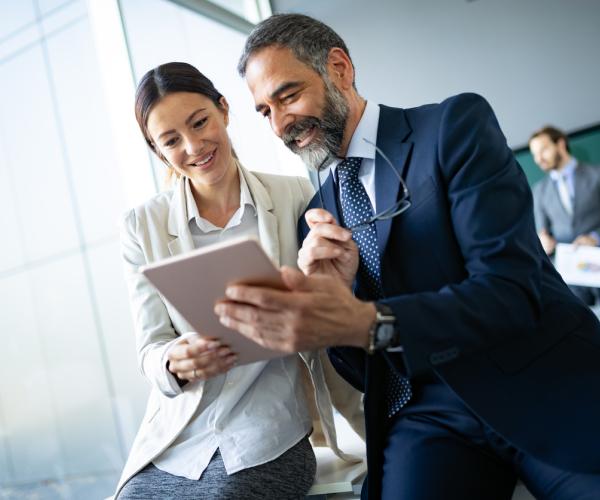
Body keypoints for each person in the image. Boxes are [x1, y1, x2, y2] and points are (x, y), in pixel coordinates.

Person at [213, 13, 600, 500]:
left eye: (288, 96)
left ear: (339, 68)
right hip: (430, 416)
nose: (281, 124)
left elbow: (512, 292)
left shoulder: (453, 127)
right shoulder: (317, 215)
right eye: (265, 112)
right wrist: (333, 301)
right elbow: (363, 369)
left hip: (538, 383)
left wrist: (366, 320)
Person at [113, 61, 364, 500]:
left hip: (267, 433)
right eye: (172, 140)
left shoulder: (295, 197)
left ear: (225, 110)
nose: (193, 146)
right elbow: (150, 349)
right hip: (180, 440)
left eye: (200, 122)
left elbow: (336, 302)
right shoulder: (142, 226)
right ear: (158, 151)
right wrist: (176, 359)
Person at [529, 125, 600, 305]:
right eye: (534, 154)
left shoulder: (596, 174)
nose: (538, 159)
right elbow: (541, 232)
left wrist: (595, 237)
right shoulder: (539, 191)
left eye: (543, 150)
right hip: (570, 280)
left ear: (560, 144)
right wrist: (542, 242)